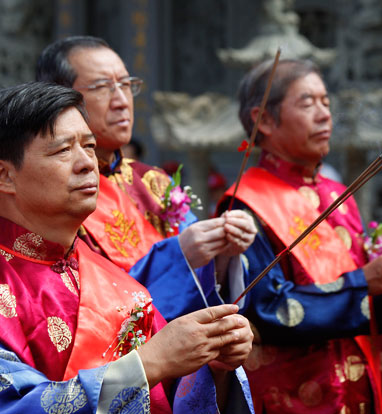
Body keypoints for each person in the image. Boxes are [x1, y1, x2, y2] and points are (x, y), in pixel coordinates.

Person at [0, 81, 261, 414]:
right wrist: (149, 364)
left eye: (89, 146)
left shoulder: (113, 278)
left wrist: (212, 363)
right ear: (5, 175)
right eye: (62, 150)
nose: (86, 163)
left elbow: (174, 400)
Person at [219, 58, 382, 414]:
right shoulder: (244, 206)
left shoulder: (337, 196)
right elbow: (266, 311)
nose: (324, 115)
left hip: (361, 407)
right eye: (307, 103)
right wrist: (366, 281)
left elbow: (364, 302)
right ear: (264, 120)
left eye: (326, 102)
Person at [35, 36, 257, 320]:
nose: (121, 101)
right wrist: (179, 257)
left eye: (126, 85)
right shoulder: (51, 194)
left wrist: (224, 251)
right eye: (103, 87)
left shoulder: (154, 181)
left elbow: (203, 272)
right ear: (60, 97)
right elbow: (80, 305)